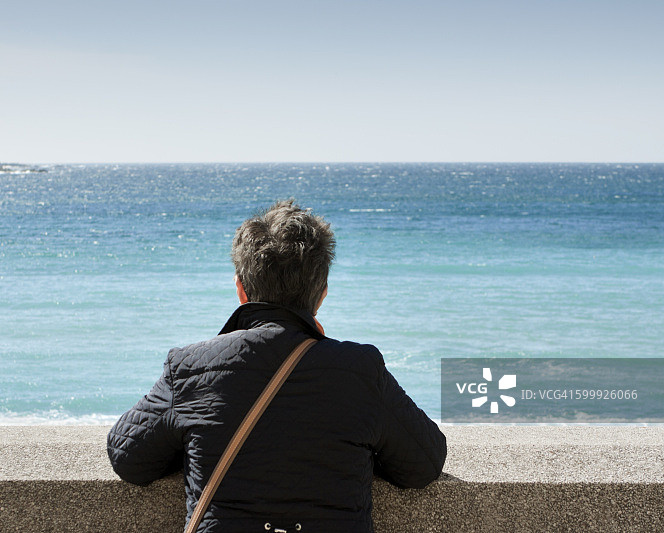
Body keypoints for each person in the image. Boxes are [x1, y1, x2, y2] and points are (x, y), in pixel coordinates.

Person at [107, 199, 446, 533]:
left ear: (241, 290)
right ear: (322, 293)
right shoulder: (360, 370)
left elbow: (128, 458)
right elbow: (424, 465)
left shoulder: (191, 367)